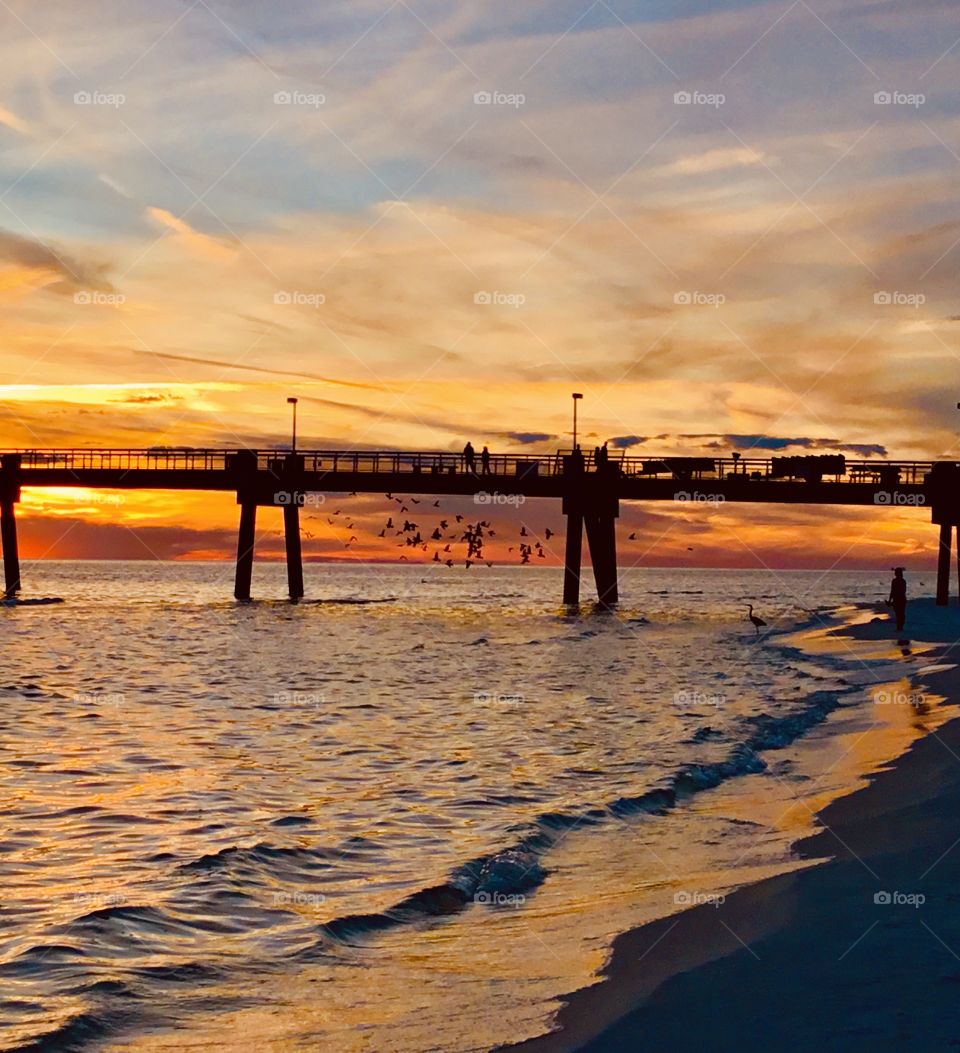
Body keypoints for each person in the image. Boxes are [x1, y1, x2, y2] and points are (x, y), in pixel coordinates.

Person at [887, 567, 907, 632]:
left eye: (895, 572)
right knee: (901, 614)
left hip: (898, 599)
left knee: (898, 614)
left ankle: (899, 627)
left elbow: (892, 591)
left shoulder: (895, 581)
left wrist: (890, 601)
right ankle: (900, 627)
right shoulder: (903, 581)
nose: (895, 573)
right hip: (901, 599)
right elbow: (903, 591)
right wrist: (890, 601)